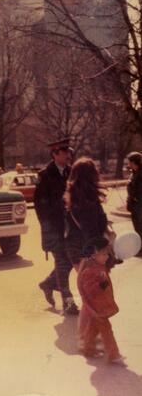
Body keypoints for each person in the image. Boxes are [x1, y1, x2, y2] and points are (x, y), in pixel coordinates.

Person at [34, 138, 79, 315]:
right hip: (55, 228)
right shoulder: (44, 175)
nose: (68, 155)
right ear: (55, 154)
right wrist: (49, 227)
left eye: (68, 152)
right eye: (64, 152)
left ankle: (48, 283)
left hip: (71, 227)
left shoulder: (71, 172)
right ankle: (68, 302)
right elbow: (40, 205)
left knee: (68, 261)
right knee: (62, 262)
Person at [77, 236, 126, 365]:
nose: (107, 257)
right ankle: (114, 355)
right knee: (107, 330)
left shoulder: (98, 266)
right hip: (97, 307)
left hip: (100, 306)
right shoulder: (89, 271)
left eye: (107, 254)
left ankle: (88, 349)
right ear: (93, 255)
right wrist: (101, 285)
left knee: (94, 328)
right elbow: (89, 291)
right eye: (104, 254)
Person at [64, 157, 108, 270]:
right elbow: (90, 230)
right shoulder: (88, 201)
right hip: (89, 252)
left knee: (87, 285)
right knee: (98, 285)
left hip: (75, 249)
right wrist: (101, 252)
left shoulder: (70, 196)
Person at [126, 151, 142, 256]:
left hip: (139, 205)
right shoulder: (134, 173)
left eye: (129, 162)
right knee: (137, 227)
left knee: (140, 227)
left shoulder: (141, 174)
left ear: (134, 162)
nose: (128, 164)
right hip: (134, 205)